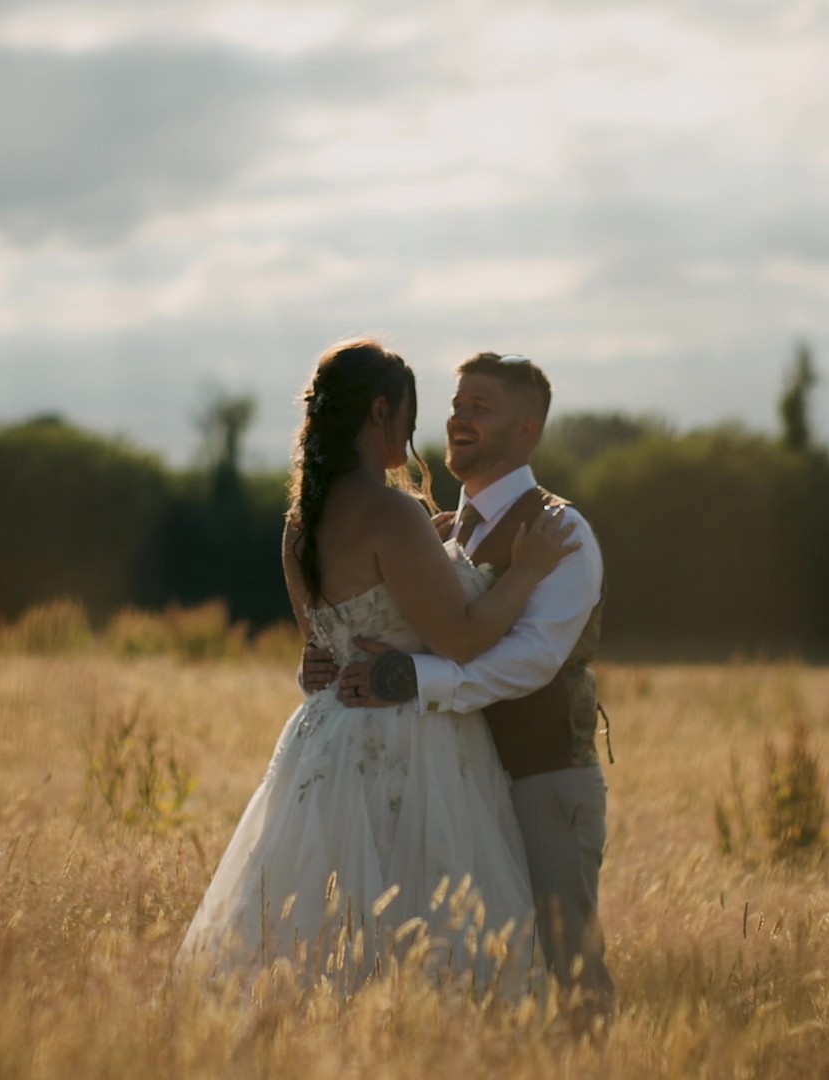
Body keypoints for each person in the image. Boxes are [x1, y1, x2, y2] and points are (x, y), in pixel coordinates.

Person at [176, 340, 580, 999]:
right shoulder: (392, 513)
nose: (412, 437)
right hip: (410, 739)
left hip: (326, 744)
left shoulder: (300, 525)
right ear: (380, 412)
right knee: (428, 925)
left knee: (332, 928)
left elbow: (321, 652)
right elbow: (464, 638)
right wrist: (528, 572)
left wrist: (439, 549)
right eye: (408, 420)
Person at [316, 352, 617, 1028]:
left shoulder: (562, 532)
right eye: (456, 406)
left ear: (525, 432)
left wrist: (414, 680)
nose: (457, 419)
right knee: (471, 969)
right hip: (453, 785)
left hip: (543, 782)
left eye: (480, 408)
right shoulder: (441, 532)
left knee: (567, 966)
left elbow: (533, 660)